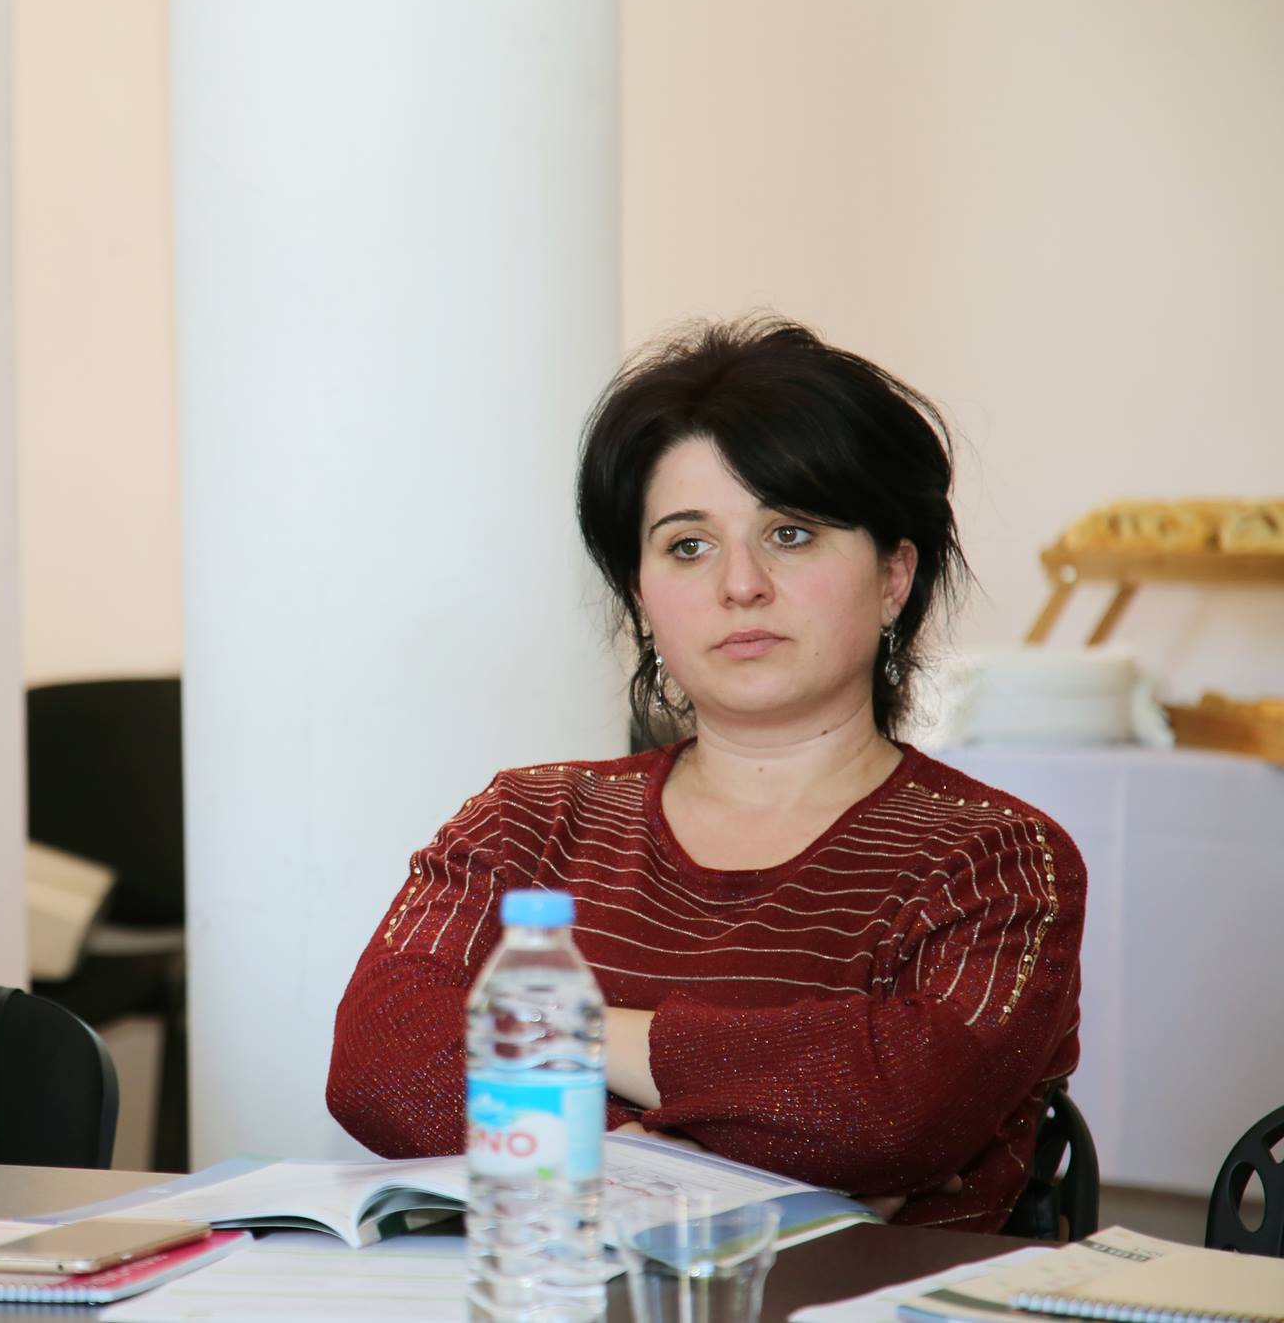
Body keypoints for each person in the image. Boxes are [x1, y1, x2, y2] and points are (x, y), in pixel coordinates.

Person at [326, 318, 1085, 1232]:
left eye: (791, 533)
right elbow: (380, 1062)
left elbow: (895, 1105)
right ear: (641, 596)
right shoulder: (527, 819)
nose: (741, 583)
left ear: (894, 575)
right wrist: (703, 1173)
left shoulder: (997, 858)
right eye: (688, 544)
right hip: (544, 1294)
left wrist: (560, 1033)